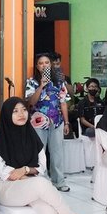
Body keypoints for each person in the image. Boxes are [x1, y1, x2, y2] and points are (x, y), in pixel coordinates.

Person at [25, 53, 71, 192]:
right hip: (38, 122)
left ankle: (59, 181)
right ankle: (41, 181)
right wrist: (41, 86)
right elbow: (31, 103)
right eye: (41, 63)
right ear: (37, 66)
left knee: (57, 152)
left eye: (46, 62)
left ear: (50, 65)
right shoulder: (31, 82)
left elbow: (63, 103)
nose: (44, 65)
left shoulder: (59, 82)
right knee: (40, 152)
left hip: (57, 121)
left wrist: (67, 122)